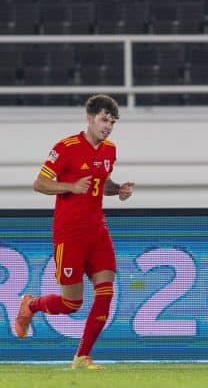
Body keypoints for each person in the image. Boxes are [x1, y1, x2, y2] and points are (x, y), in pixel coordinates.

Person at [15, 94, 135, 370]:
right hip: (70, 234)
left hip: (98, 231)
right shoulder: (66, 147)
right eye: (104, 120)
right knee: (72, 304)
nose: (108, 127)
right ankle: (31, 305)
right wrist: (69, 186)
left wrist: (118, 190)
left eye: (112, 122)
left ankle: (82, 357)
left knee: (106, 292)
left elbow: (100, 182)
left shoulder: (109, 150)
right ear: (89, 118)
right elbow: (39, 183)